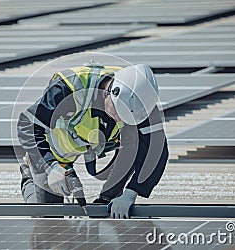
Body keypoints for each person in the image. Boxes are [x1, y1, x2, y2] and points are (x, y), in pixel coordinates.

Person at [17, 61, 169, 219]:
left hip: (96, 142)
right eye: (118, 111)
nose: (119, 120)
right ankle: (29, 174)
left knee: (135, 143)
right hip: (54, 149)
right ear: (111, 91)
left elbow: (156, 152)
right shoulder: (68, 87)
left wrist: (131, 193)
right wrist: (50, 167)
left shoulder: (141, 101)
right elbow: (27, 125)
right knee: (47, 219)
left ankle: (106, 198)